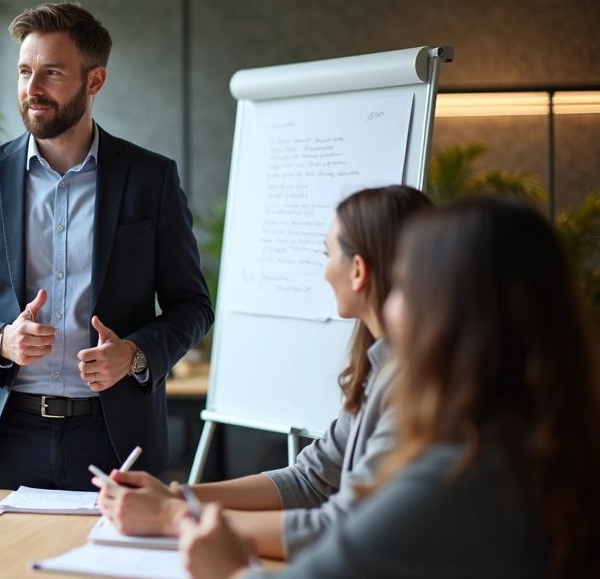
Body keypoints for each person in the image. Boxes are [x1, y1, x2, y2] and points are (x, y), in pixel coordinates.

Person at [178, 197, 600, 578]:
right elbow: (315, 482)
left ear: (446, 312)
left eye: (405, 286)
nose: (391, 304)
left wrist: (225, 565)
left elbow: (336, 547)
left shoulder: (454, 467)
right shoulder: (537, 434)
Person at [0, 1, 214, 490]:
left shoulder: (150, 179)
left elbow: (193, 306)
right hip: (2, 436)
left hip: (114, 438)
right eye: (23, 71)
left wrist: (135, 355)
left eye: (51, 73)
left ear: (94, 81)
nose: (31, 89)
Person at [96, 185, 433, 559]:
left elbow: (343, 530)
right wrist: (177, 496)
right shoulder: (381, 368)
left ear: (358, 271)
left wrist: (174, 516)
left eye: (327, 254)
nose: (323, 272)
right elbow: (310, 480)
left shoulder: (413, 387)